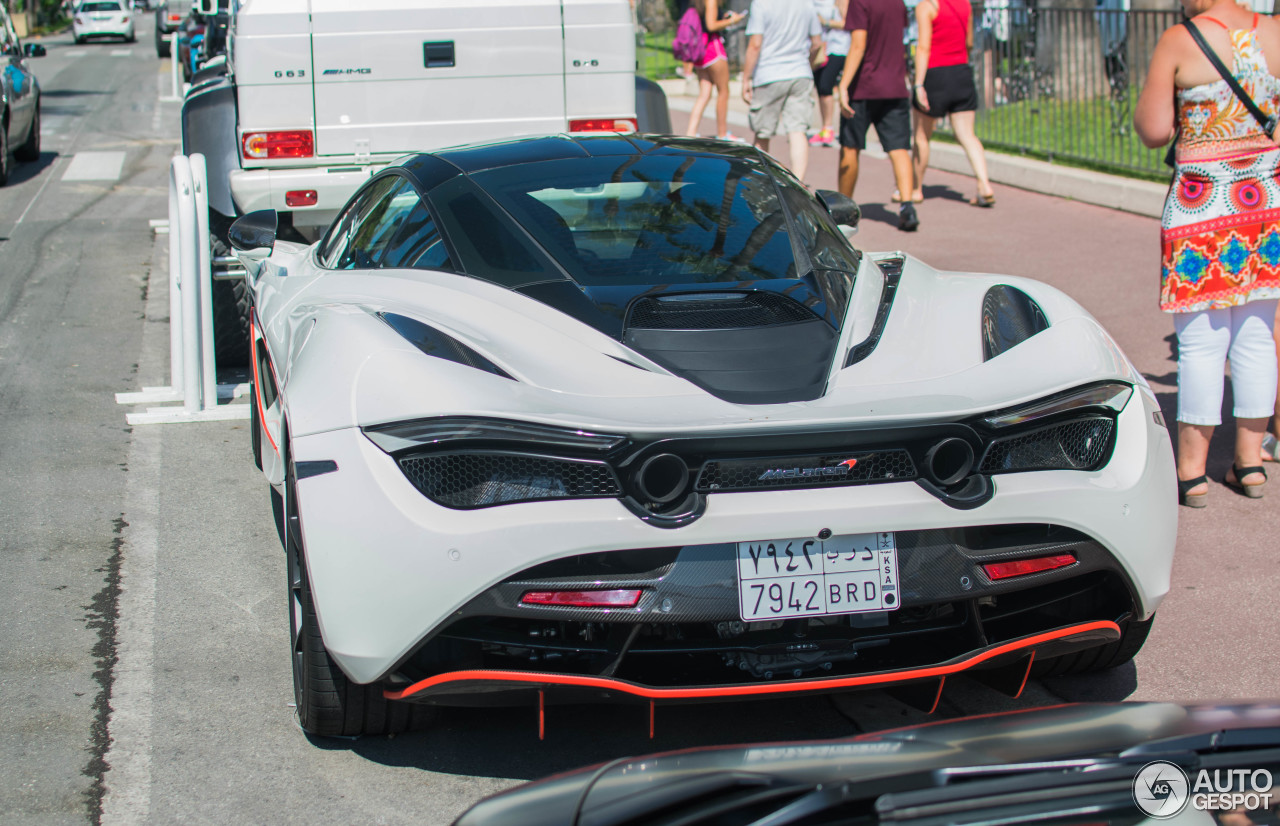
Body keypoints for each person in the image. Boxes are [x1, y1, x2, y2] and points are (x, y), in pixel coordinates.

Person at [1134, 0, 1280, 505]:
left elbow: (1154, 131)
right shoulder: (1275, 32)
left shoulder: (1181, 38)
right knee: (1258, 336)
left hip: (1202, 205)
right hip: (1263, 203)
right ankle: (1251, 464)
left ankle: (1193, 473)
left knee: (1200, 344)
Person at [836, 0, 919, 231]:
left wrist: (843, 84)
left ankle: (842, 209)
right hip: (894, 84)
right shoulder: (898, 3)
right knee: (899, 148)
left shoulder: (860, 2)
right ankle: (907, 206)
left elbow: (858, 45)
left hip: (863, 85)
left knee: (850, 147)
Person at [909, 0, 996, 206]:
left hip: (935, 74)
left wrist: (918, 85)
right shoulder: (965, 4)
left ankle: (916, 188)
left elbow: (923, 47)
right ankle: (984, 184)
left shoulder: (927, 6)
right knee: (967, 135)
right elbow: (970, 43)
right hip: (961, 72)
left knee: (922, 137)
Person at [742, 0, 824, 182]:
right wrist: (806, 63)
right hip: (800, 72)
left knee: (763, 133)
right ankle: (799, 181)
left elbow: (755, 44)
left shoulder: (761, 4)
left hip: (769, 72)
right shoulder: (806, 3)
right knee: (798, 130)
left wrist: (746, 77)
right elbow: (817, 42)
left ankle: (759, 180)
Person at [684, 0, 748, 142]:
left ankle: (690, 132)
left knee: (705, 93)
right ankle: (722, 133)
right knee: (723, 91)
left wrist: (724, 16)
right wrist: (732, 21)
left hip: (700, 48)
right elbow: (711, 25)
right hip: (712, 48)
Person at [809, 0, 850, 148]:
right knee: (820, 86)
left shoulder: (840, 1)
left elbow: (848, 23)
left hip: (838, 48)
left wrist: (825, 21)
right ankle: (825, 127)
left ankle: (829, 128)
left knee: (827, 85)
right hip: (820, 49)